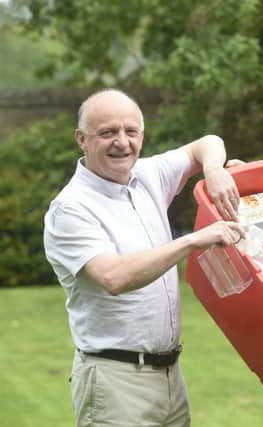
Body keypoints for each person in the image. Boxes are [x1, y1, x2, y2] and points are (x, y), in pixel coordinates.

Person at [43, 89, 245, 426]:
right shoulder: (71, 208)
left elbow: (207, 142)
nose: (122, 142)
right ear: (81, 139)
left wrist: (214, 170)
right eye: (107, 132)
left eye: (130, 131)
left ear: (142, 135)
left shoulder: (148, 175)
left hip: (170, 377)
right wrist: (192, 241)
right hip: (115, 381)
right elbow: (114, 277)